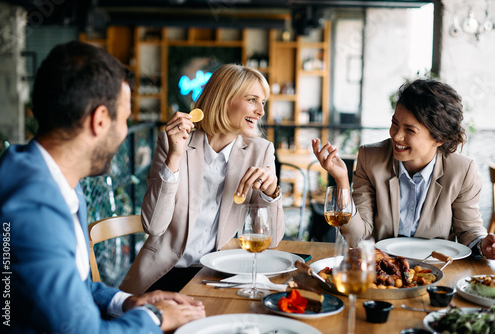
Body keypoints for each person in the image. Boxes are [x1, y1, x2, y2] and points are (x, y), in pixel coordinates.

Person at [0, 41, 205, 333]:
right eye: (125, 119)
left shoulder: (53, 178)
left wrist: (128, 302)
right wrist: (156, 318)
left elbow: (77, 285)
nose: (125, 131)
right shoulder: (32, 209)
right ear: (100, 120)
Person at [120, 64, 285, 294]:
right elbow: (153, 226)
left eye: (263, 103)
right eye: (252, 100)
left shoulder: (261, 151)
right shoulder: (173, 142)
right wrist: (174, 156)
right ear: (224, 99)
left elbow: (273, 239)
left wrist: (271, 193)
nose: (261, 112)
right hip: (164, 274)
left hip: (219, 275)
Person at [312, 78, 495, 259]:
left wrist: (482, 244)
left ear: (439, 138)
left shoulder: (462, 171)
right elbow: (356, 237)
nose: (396, 136)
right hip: (382, 270)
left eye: (410, 130)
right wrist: (342, 181)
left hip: (436, 272)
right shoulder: (370, 158)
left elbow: (468, 230)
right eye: (394, 124)